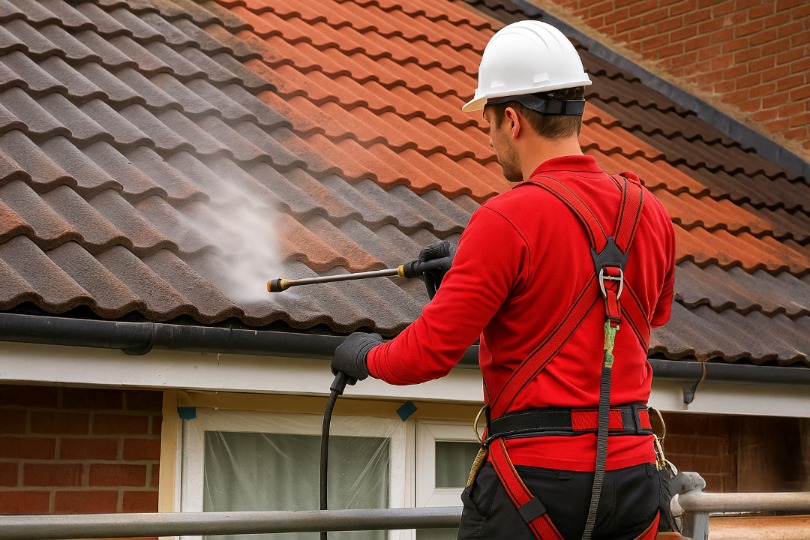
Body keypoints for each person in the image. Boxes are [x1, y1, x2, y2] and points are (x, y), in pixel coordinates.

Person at [332, 20, 676, 540]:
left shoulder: (505, 218)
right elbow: (646, 317)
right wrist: (480, 283)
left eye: (488, 124)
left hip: (534, 485)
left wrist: (363, 355)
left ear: (511, 120)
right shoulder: (650, 212)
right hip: (632, 483)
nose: (491, 140)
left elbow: (425, 357)